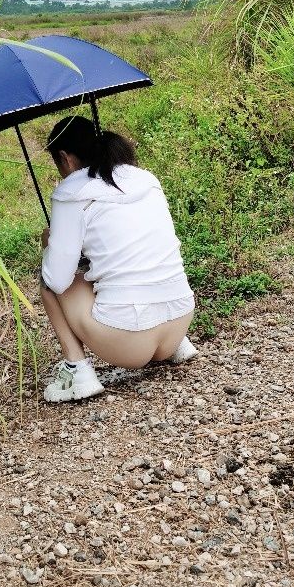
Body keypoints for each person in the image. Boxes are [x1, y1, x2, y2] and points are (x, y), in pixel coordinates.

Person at [40, 115, 197, 402]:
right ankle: (176, 346)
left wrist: (49, 246)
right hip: (180, 320)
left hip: (129, 344)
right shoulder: (145, 178)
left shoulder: (71, 191)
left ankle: (77, 371)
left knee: (49, 283)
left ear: (65, 158)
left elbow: (57, 280)